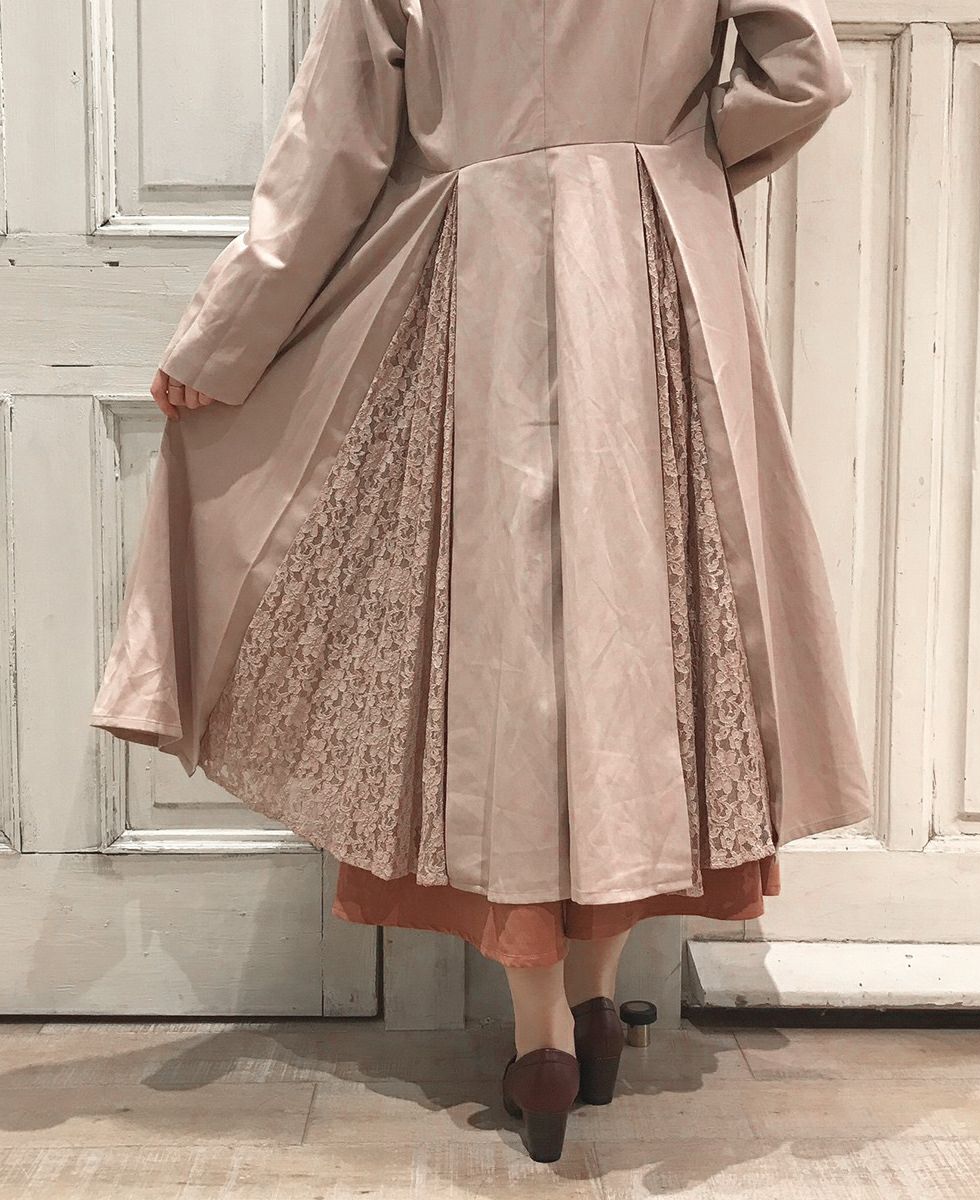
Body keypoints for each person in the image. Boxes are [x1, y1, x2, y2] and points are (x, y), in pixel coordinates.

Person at [90, 0, 873, 1163]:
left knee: (506, 644)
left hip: (474, 280)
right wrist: (675, 161)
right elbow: (801, 74)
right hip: (654, 271)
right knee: (637, 637)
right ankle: (596, 1004)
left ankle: (540, 1035)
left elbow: (336, 151)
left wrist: (222, 340)